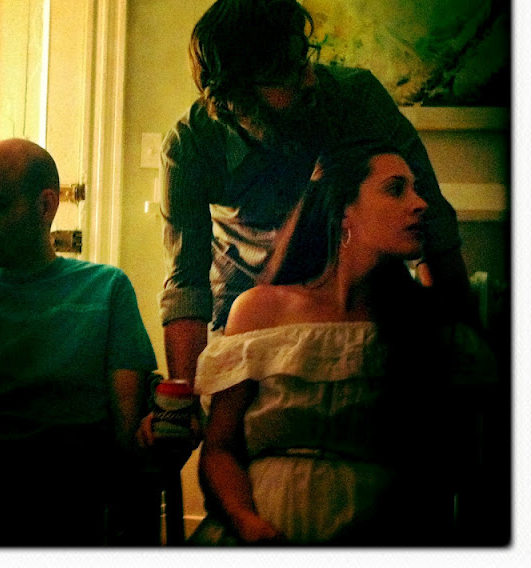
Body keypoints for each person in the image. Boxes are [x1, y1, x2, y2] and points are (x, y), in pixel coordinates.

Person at [159, 0, 472, 391]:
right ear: (234, 95)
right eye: (286, 73)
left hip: (362, 308)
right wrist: (182, 398)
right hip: (243, 315)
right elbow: (186, 284)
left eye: (304, 59)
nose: (309, 80)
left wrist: (456, 350)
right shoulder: (189, 147)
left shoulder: (356, 99)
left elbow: (433, 226)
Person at [193, 142, 497, 545]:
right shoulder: (258, 312)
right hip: (257, 535)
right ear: (344, 212)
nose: (420, 203)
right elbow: (219, 449)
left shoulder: (429, 327)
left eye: (417, 189)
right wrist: (247, 522)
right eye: (396, 189)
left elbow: (459, 469)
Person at [0, 138, 158, 547]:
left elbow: (126, 436)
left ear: (46, 206)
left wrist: (159, 430)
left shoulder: (105, 290)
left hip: (62, 511)